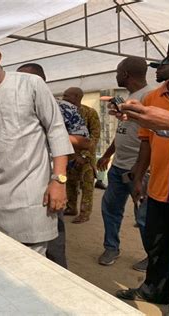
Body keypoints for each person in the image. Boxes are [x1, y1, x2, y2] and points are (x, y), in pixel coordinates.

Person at [0, 33, 73, 256]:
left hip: (33, 197)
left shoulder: (31, 84)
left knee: (31, 264)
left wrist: (59, 180)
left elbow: (56, 130)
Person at [115, 32, 169, 315]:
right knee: (158, 245)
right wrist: (138, 176)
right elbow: (146, 140)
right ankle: (154, 289)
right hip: (160, 185)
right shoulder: (152, 97)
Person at [17, 62, 90, 268]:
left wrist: (52, 135)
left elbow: (85, 141)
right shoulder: (13, 105)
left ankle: (59, 277)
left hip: (50, 178)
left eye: (25, 79)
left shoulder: (64, 108)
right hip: (18, 180)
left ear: (41, 81)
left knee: (53, 234)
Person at [96, 57, 153, 269]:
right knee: (110, 208)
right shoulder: (130, 98)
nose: (116, 76)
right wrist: (107, 155)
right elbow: (124, 132)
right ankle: (111, 247)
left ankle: (152, 256)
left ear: (126, 74)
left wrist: (141, 170)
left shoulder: (149, 96)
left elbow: (154, 135)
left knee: (144, 217)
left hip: (140, 169)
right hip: (118, 166)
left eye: (118, 72)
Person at [63, 87, 101, 224]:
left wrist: (84, 155)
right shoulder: (64, 112)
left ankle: (85, 213)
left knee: (87, 185)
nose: (64, 99)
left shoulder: (90, 113)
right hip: (69, 156)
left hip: (86, 158)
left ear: (77, 97)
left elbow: (95, 136)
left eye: (67, 96)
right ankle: (71, 207)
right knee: (70, 183)